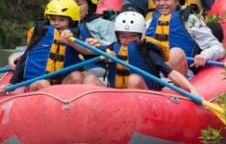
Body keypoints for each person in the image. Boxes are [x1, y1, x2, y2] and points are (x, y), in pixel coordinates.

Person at [68, 10, 198, 94]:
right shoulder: (111, 49)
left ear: (141, 35)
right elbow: (86, 50)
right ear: (118, 36)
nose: (128, 40)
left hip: (145, 96)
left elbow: (170, 72)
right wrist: (71, 42)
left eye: (133, 36)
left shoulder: (147, 50)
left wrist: (191, 88)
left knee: (134, 79)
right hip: (114, 96)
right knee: (90, 79)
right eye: (124, 37)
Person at [144, 0, 225, 76]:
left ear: (177, 1)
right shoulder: (149, 23)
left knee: (175, 53)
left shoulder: (189, 21)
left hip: (182, 74)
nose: (161, 3)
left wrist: (205, 55)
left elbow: (217, 47)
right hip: (154, 74)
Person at [7, 0, 89, 90]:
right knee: (43, 83)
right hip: (37, 81)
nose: (56, 23)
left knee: (77, 76)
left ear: (71, 21)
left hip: (61, 83)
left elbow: (86, 52)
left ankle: (63, 97)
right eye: (53, 19)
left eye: (62, 20)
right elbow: (27, 55)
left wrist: (72, 42)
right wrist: (12, 83)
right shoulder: (41, 33)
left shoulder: (75, 35)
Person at [64, 0, 115, 82]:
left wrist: (98, 43)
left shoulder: (104, 24)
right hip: (68, 70)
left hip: (96, 70)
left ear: (90, 7)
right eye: (70, 4)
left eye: (78, 4)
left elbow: (113, 49)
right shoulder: (61, 26)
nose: (74, 8)